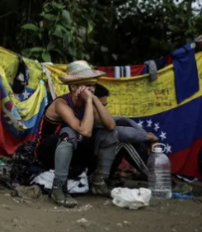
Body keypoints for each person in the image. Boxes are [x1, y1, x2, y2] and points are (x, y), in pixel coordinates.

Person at [35, 61, 118, 208]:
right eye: (87, 85)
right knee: (69, 132)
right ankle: (58, 188)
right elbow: (85, 131)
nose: (91, 89)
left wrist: (93, 101)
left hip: (73, 149)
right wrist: (89, 101)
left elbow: (111, 125)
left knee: (108, 134)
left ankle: (99, 182)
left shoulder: (88, 102)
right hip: (49, 151)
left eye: (93, 85)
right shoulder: (61, 104)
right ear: (73, 86)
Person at [94, 84, 157, 179]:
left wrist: (147, 136)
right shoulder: (84, 118)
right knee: (124, 143)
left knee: (123, 123)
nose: (104, 110)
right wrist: (149, 138)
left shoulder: (95, 116)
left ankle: (156, 174)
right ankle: (157, 178)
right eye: (101, 106)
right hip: (87, 176)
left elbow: (123, 120)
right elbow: (123, 133)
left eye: (105, 106)